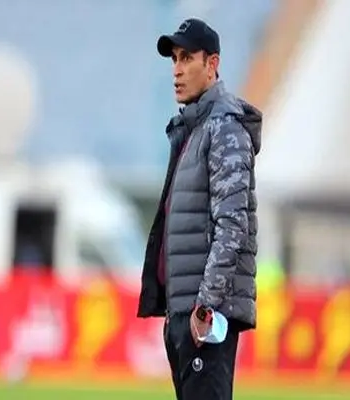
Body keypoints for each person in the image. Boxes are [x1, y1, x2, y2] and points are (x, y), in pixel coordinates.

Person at [137, 18, 262, 400]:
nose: (176, 69)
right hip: (183, 311)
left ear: (212, 64)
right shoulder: (192, 129)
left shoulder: (224, 128)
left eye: (187, 58)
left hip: (204, 315)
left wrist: (206, 306)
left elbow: (232, 225)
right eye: (174, 59)